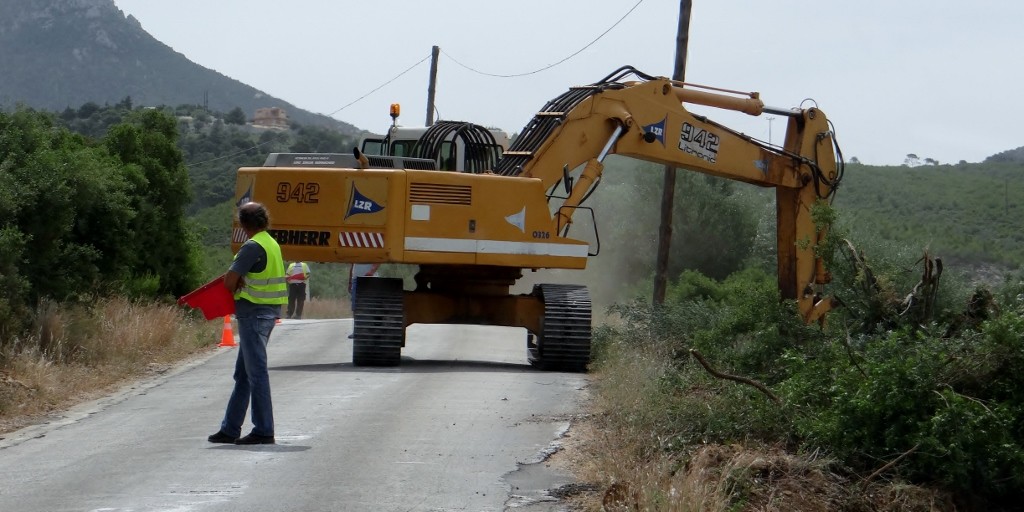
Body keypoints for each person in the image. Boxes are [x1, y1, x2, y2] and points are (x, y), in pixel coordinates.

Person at [208, 202, 287, 445]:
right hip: (266, 314)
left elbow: (229, 281)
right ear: (265, 221)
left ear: (243, 225)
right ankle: (230, 428)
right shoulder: (270, 243)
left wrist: (236, 282)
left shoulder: (252, 246)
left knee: (256, 374)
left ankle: (263, 430)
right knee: (243, 374)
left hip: (253, 314)